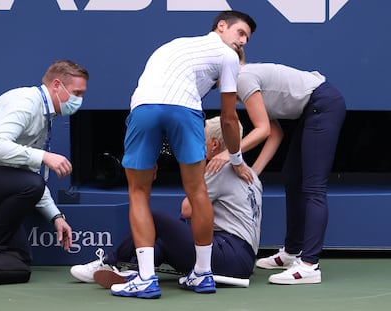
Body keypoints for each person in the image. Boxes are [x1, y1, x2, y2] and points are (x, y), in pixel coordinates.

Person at [111, 10, 257, 299]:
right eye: (240, 33)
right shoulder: (228, 57)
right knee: (197, 191)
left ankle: (145, 278)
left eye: (246, 39)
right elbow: (228, 119)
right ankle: (202, 275)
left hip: (144, 109)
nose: (242, 42)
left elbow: (158, 99)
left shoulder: (174, 45)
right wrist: (236, 159)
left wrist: (151, 155)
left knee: (139, 192)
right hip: (183, 111)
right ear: (221, 26)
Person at [70, 116, 263, 291]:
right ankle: (134, 271)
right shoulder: (252, 175)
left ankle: (111, 261)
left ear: (214, 145)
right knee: (163, 243)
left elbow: (187, 209)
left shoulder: (219, 168)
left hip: (227, 254)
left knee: (155, 218)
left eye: (201, 139)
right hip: (242, 261)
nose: (198, 143)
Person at [207, 48, 346, 285]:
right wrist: (253, 173)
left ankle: (310, 264)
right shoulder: (241, 84)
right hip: (313, 108)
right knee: (292, 177)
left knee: (313, 188)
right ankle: (292, 252)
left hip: (323, 104)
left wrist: (230, 155)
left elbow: (262, 131)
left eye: (211, 75)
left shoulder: (242, 79)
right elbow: (275, 133)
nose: (211, 82)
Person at [0, 60, 89, 266]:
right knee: (33, 183)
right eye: (77, 93)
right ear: (57, 85)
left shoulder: (46, 114)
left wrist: (56, 216)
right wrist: (45, 157)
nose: (79, 100)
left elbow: (28, 173)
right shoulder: (25, 103)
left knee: (20, 261)